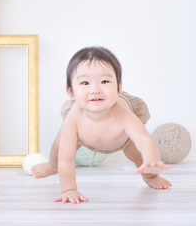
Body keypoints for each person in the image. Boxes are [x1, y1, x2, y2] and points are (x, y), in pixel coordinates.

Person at [32, 46, 174, 203]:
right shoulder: (73, 119)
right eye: (85, 83)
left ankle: (151, 176)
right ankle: (52, 166)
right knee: (60, 146)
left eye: (104, 81)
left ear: (119, 87)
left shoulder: (124, 114)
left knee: (137, 155)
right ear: (71, 91)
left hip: (122, 138)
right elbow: (66, 159)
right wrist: (69, 189)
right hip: (84, 135)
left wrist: (151, 159)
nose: (95, 90)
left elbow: (144, 139)